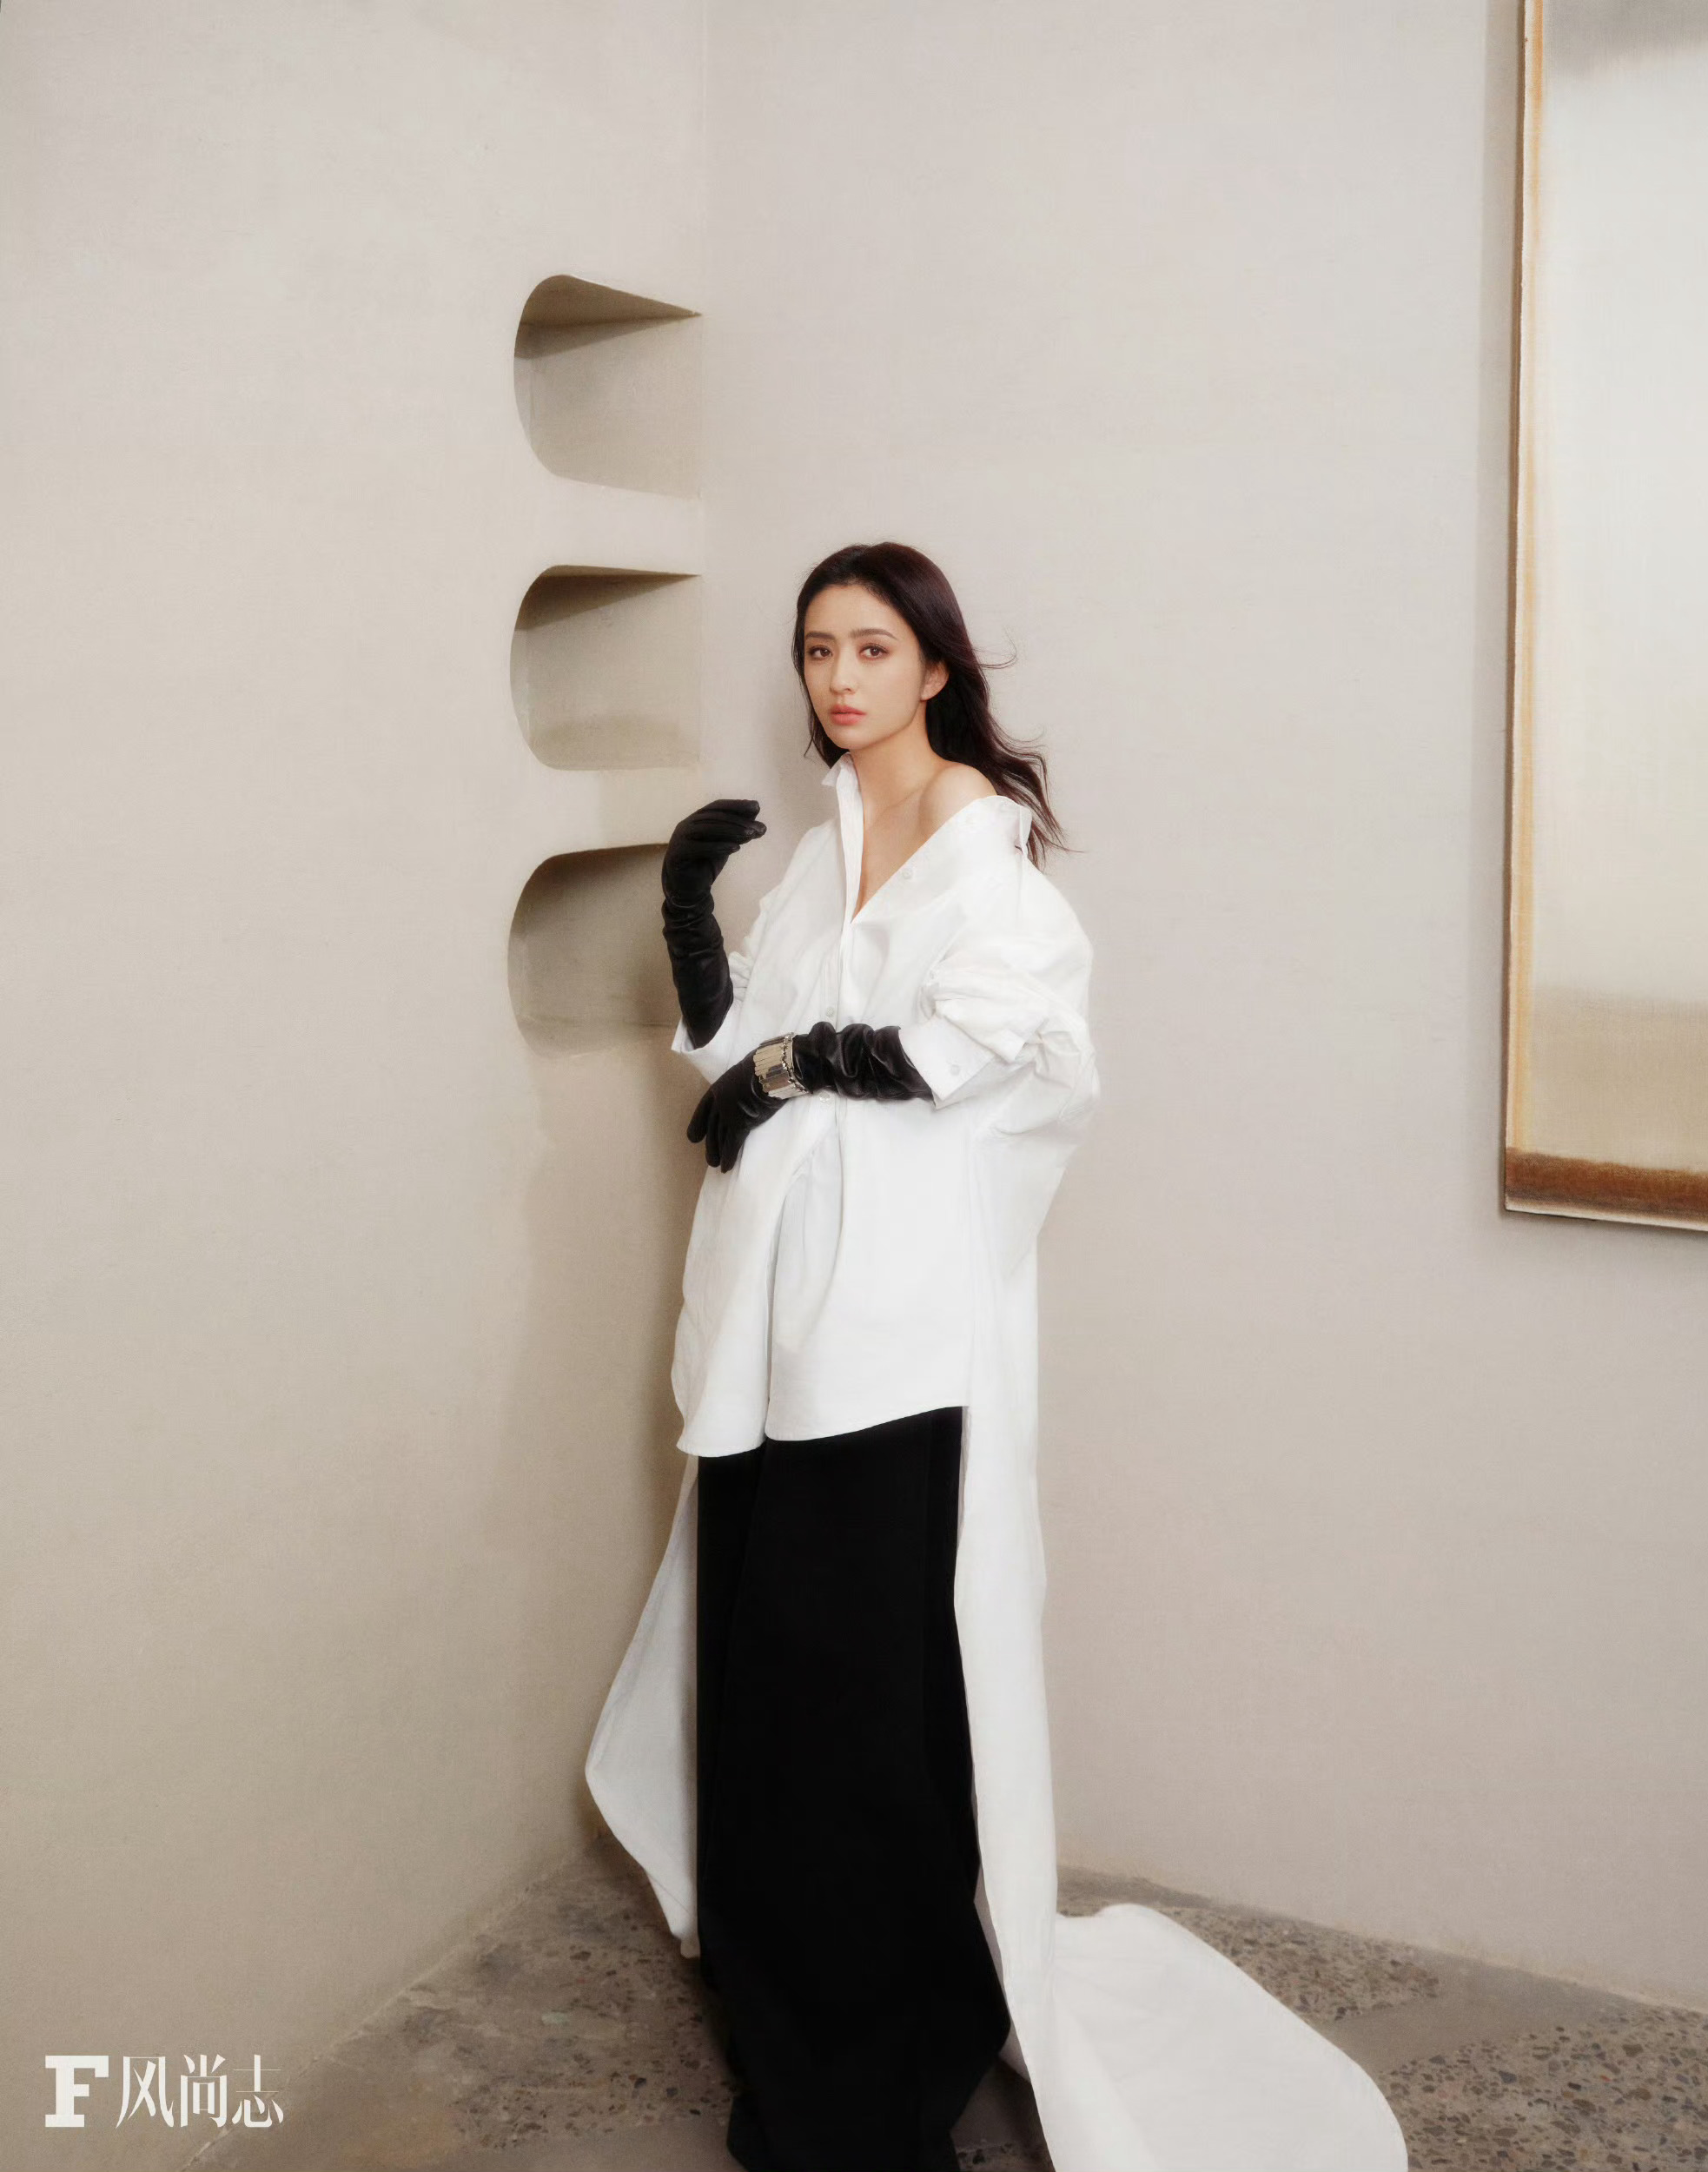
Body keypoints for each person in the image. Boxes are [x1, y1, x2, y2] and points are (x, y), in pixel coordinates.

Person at [586, 543, 1410, 2172]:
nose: (838, 679)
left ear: (937, 667)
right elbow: (732, 1041)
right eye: (816, 650)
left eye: (871, 649)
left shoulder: (986, 856)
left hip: (893, 1343)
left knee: (863, 1719)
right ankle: (789, 2021)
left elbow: (985, 1049)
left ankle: (874, 2070)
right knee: (762, 1700)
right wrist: (688, 916)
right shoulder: (823, 845)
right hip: (764, 1330)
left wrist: (788, 1065)